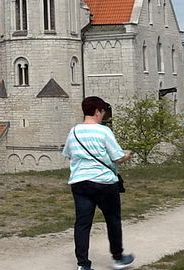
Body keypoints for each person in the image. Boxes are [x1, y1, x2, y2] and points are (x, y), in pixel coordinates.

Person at [63, 96, 135, 270]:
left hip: (80, 182)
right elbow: (117, 157)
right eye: (103, 112)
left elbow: (68, 154)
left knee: (82, 223)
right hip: (104, 182)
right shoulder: (103, 131)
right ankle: (118, 258)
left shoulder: (73, 132)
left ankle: (83, 264)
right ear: (97, 111)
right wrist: (127, 155)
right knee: (112, 219)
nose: (103, 115)